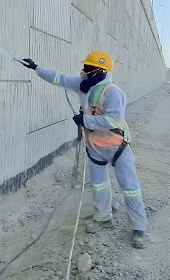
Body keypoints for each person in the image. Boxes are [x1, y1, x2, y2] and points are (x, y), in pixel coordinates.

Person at [20, 50, 148, 249]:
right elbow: (59, 78)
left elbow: (114, 119)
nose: (85, 70)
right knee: (99, 185)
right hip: (95, 147)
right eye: (85, 66)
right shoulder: (83, 87)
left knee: (129, 187)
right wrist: (37, 68)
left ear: (101, 71)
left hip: (117, 147)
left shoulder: (112, 92)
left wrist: (85, 120)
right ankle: (103, 217)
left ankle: (139, 228)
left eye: (89, 68)